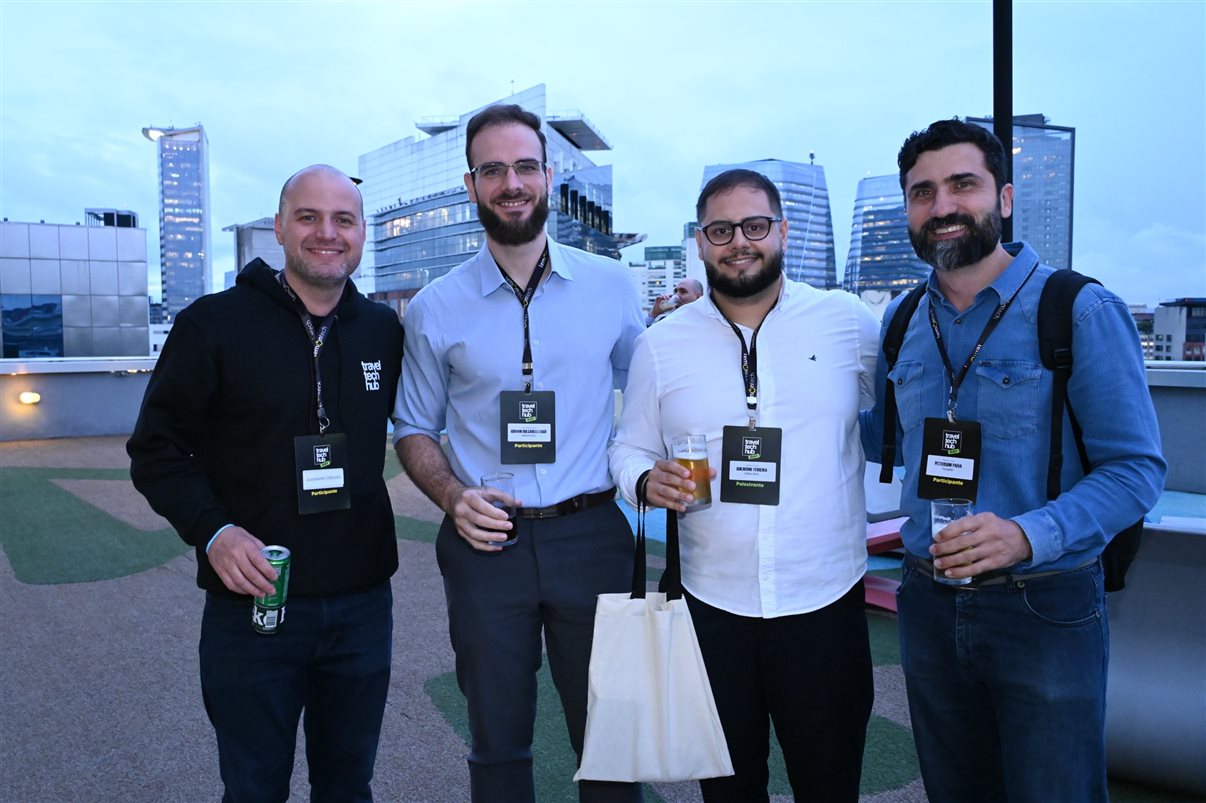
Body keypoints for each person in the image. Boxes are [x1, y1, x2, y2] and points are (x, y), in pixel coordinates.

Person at [861, 119, 1166, 802]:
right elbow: (875, 436)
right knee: (955, 788)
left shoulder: (1078, 309)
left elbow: (1136, 470)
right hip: (928, 600)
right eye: (922, 191)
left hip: (1045, 602)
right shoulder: (902, 321)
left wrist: (1027, 533)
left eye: (961, 185)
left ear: (1002, 197)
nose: (941, 207)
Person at [392, 104, 644, 803]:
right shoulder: (434, 307)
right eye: (493, 169)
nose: (512, 182)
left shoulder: (612, 286)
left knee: (610, 738)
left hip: (592, 531)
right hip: (486, 540)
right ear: (470, 185)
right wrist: (452, 496)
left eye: (525, 166)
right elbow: (413, 426)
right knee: (497, 740)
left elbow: (650, 396)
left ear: (549, 175)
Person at [127, 165, 403, 802]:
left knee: (348, 787)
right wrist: (214, 532)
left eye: (344, 220)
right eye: (308, 217)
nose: (326, 233)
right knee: (253, 788)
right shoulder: (212, 325)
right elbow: (155, 450)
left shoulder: (382, 331)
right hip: (252, 601)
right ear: (278, 228)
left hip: (362, 605)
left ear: (362, 233)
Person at [610, 168, 879, 801]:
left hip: (825, 600)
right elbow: (627, 445)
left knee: (830, 784)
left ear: (782, 231)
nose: (740, 242)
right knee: (728, 791)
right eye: (721, 229)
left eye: (755, 225)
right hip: (711, 606)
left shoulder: (846, 323)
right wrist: (645, 479)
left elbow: (900, 411)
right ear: (700, 242)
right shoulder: (662, 344)